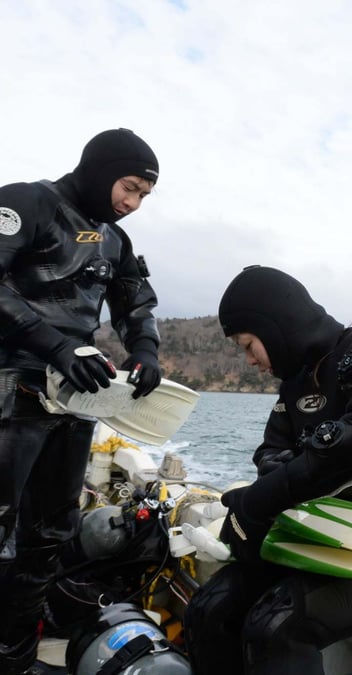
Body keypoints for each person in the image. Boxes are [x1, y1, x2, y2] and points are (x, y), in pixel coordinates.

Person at [184, 265, 352, 674]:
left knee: (277, 626)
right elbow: (271, 450)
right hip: (321, 532)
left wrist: (265, 497)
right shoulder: (296, 384)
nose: (250, 360)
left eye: (249, 345)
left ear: (276, 327)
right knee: (210, 608)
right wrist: (275, 479)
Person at [0, 128, 164, 674]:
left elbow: (135, 301)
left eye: (143, 194)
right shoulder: (28, 202)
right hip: (10, 384)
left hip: (72, 396)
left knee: (50, 532)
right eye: (129, 187)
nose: (132, 203)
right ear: (100, 170)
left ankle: (15, 658)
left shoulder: (113, 240)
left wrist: (144, 350)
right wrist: (55, 345)